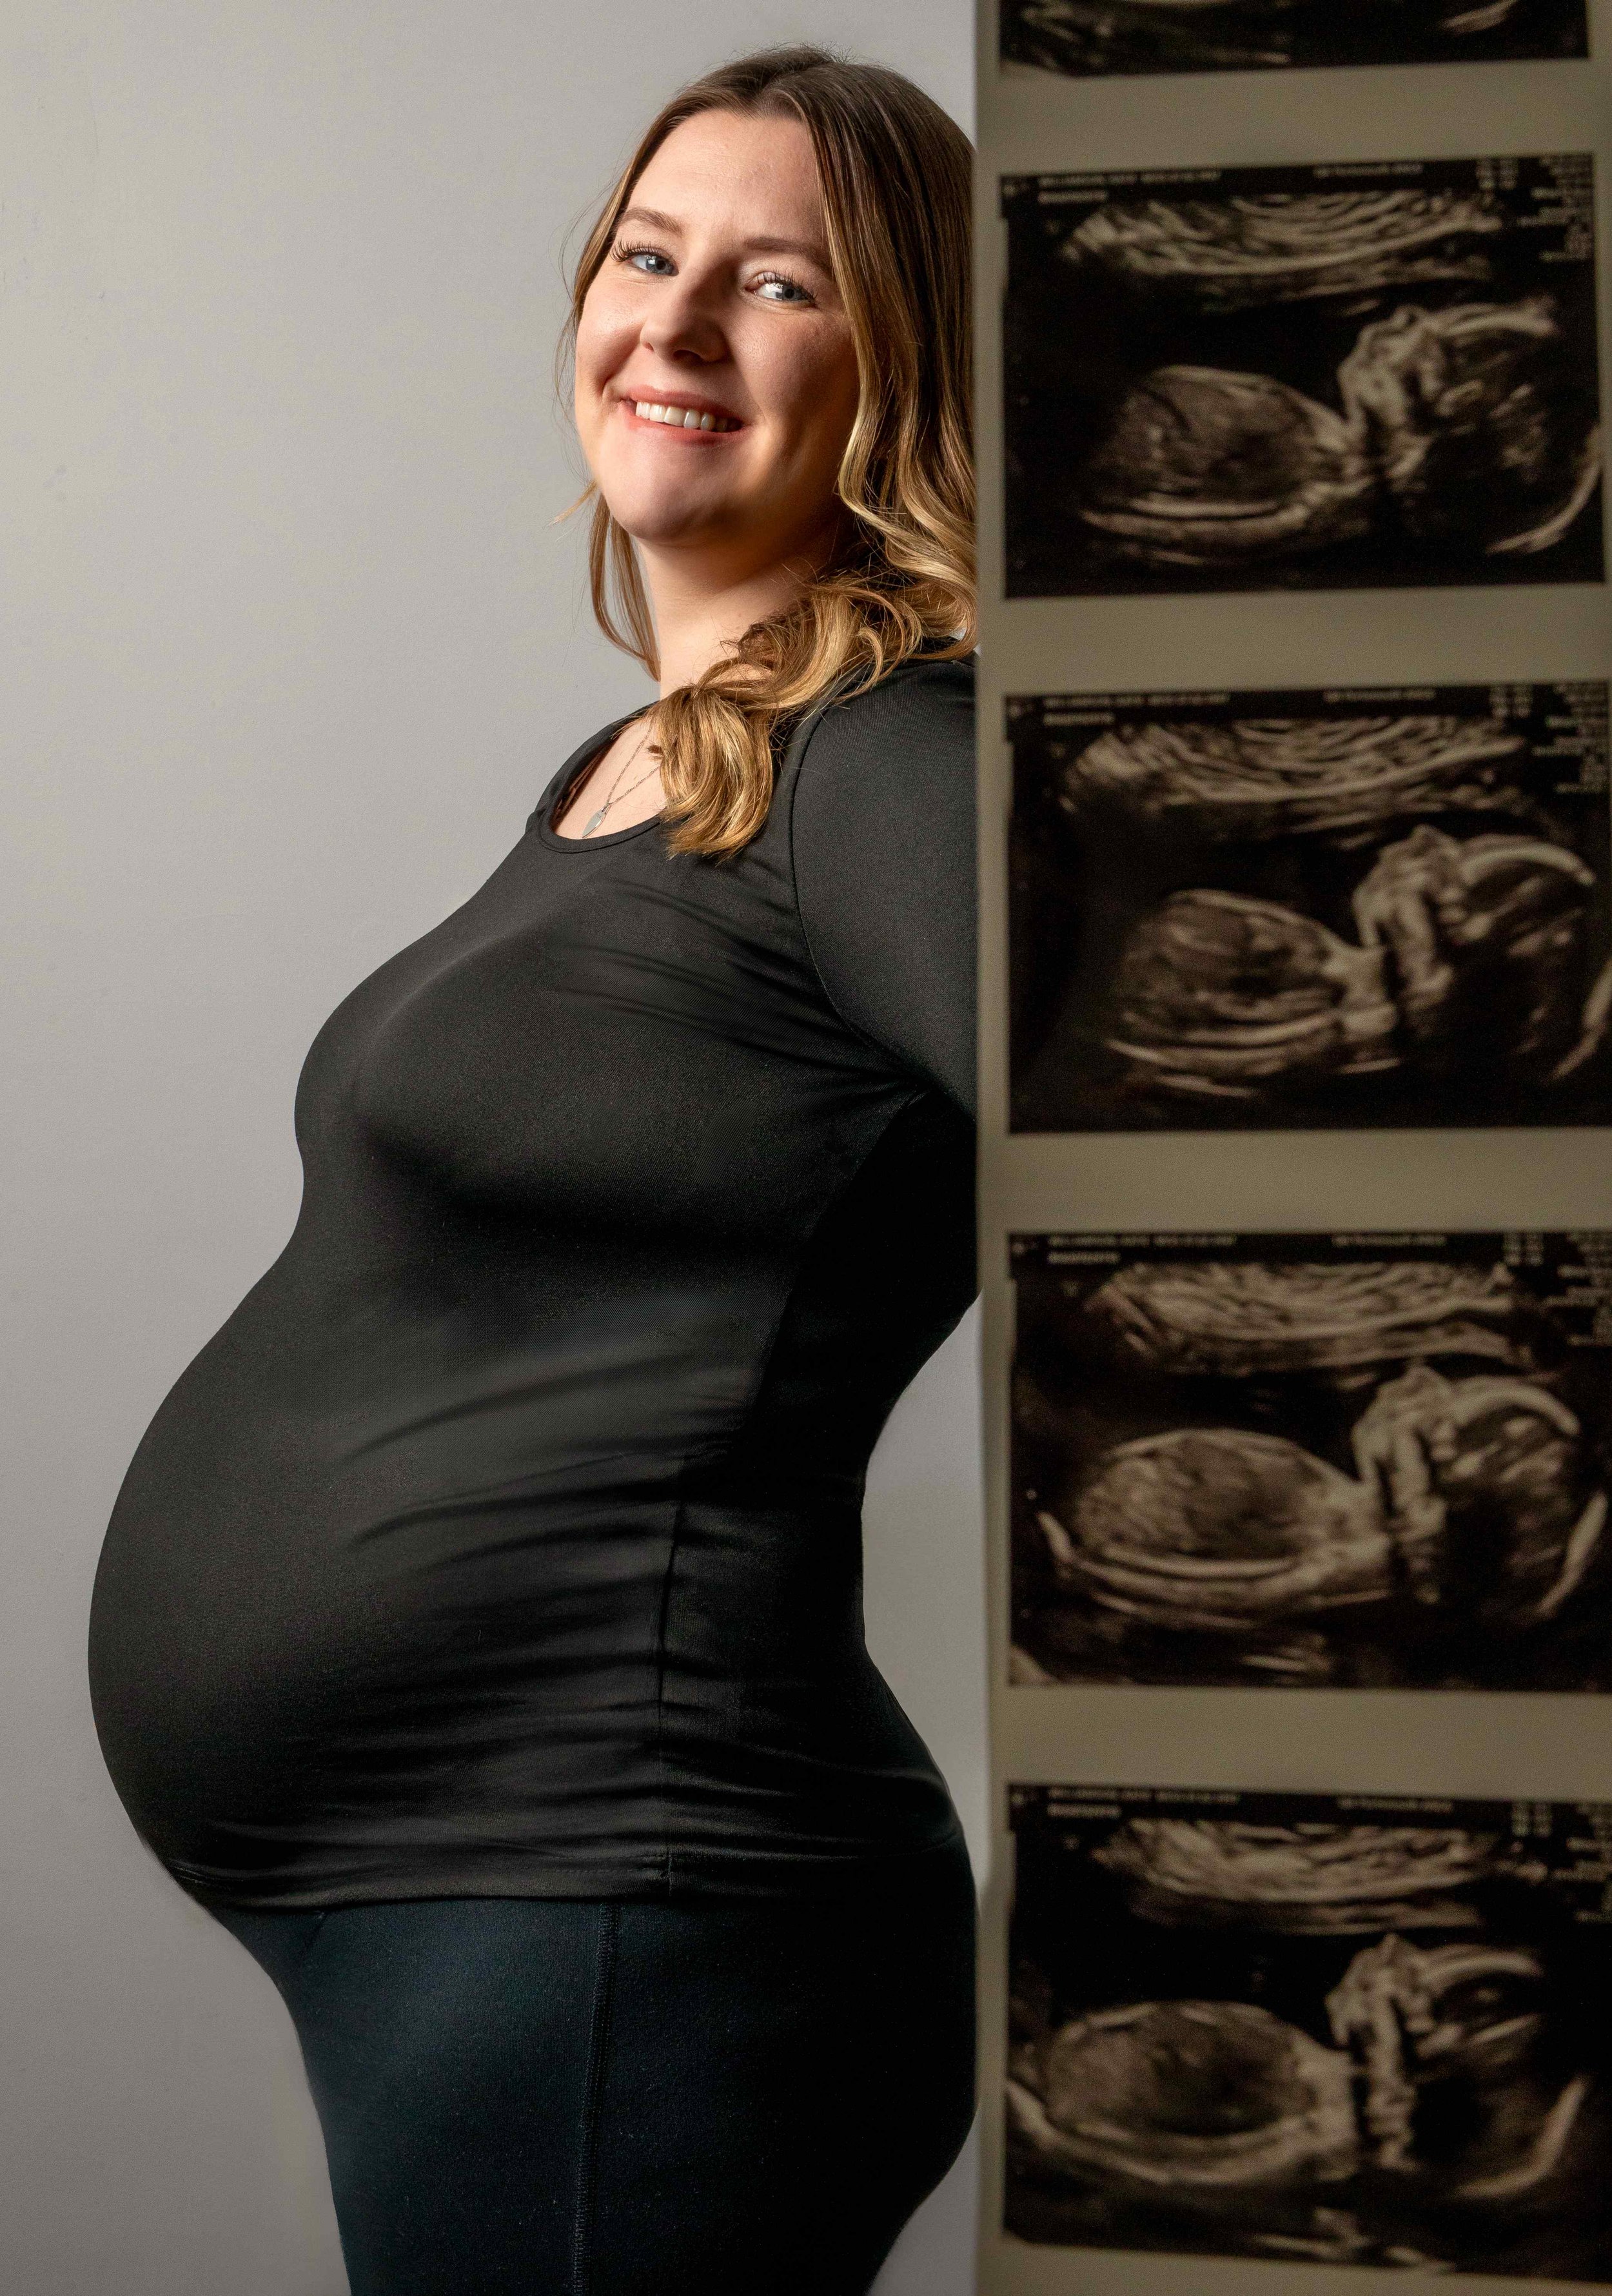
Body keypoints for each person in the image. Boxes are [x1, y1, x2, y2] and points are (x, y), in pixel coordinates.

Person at [88, 43, 978, 2296]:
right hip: (491, 1915)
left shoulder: (892, 768)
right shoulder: (650, 763)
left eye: (775, 281)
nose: (672, 323)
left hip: (618, 1908)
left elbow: (1178, 1181)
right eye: (644, 255)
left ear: (906, 365)